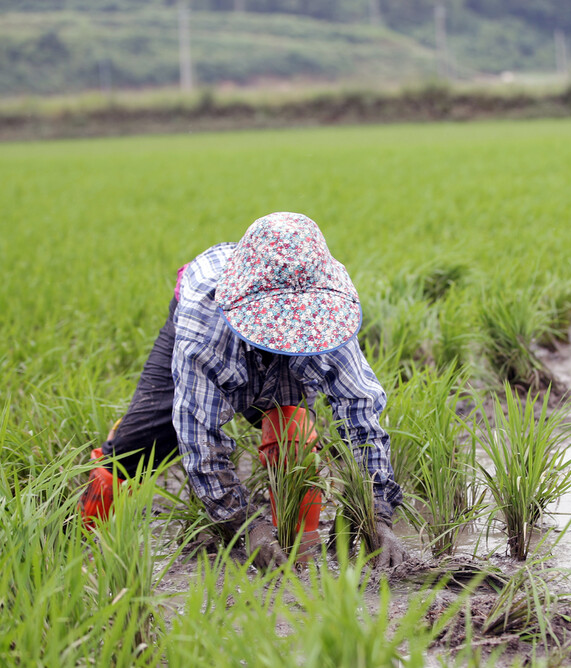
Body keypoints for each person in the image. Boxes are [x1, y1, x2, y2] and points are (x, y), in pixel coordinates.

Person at [79, 212, 407, 570]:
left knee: (293, 436)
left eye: (300, 326)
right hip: (216, 326)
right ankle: (78, 544)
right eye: (280, 326)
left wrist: (378, 512)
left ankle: (298, 555)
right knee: (137, 446)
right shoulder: (203, 329)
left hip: (273, 313)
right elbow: (199, 439)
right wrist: (246, 525)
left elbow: (361, 415)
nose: (290, 333)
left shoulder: (327, 321)